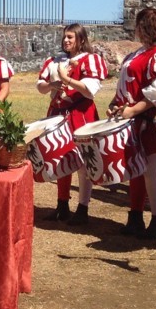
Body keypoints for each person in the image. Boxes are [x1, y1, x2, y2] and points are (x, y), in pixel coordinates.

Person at [106, 7, 156, 240]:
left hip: (149, 119)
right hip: (129, 119)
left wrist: (135, 109)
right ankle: (135, 216)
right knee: (134, 168)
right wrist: (116, 103)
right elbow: (124, 85)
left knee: (152, 170)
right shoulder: (135, 54)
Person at [36, 23, 108, 224]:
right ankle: (62, 205)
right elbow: (40, 86)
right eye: (65, 37)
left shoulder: (91, 60)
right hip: (58, 114)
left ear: (81, 39)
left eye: (70, 37)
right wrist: (52, 84)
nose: (66, 40)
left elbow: (90, 90)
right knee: (60, 158)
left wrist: (67, 79)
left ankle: (83, 208)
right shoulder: (55, 60)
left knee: (83, 161)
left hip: (81, 115)